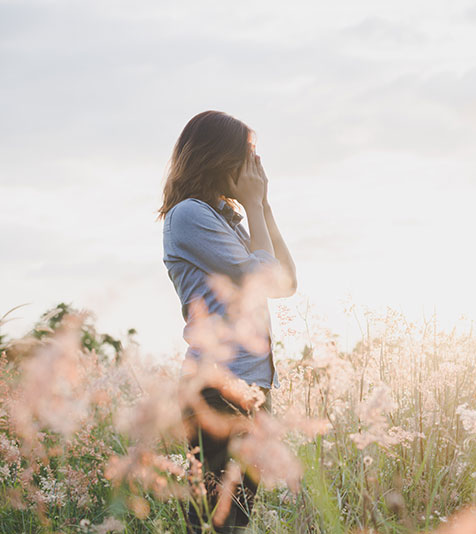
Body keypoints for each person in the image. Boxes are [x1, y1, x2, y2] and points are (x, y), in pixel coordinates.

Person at [156, 110, 297, 533]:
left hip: (251, 383)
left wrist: (264, 206)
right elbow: (261, 276)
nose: (254, 169)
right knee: (216, 523)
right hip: (217, 386)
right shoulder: (189, 216)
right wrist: (254, 204)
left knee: (234, 520)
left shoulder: (227, 222)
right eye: (247, 158)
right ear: (219, 158)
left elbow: (285, 282)